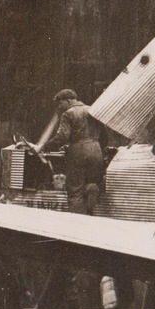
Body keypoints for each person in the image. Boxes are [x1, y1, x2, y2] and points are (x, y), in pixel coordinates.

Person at [37, 88, 107, 216]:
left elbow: (62, 137)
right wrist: (96, 147)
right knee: (92, 185)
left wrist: (43, 147)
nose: (59, 106)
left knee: (75, 191)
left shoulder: (68, 113)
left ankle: (78, 223)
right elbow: (105, 136)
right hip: (96, 151)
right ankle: (91, 217)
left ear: (68, 101)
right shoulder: (92, 110)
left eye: (60, 103)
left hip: (78, 153)